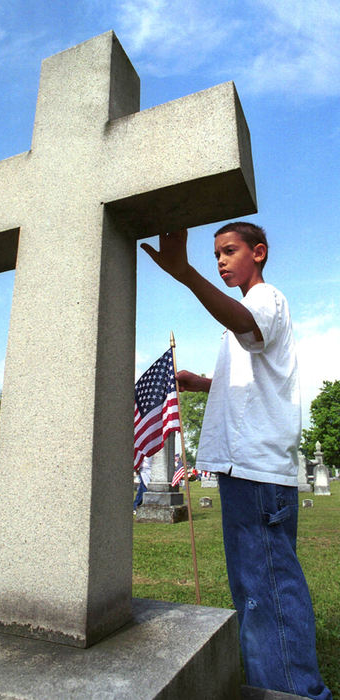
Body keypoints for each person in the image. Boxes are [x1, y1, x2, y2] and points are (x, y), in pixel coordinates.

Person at [141, 223, 331, 699]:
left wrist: (185, 274)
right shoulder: (244, 317)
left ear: (259, 253)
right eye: (215, 255)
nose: (221, 261)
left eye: (230, 251)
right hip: (242, 470)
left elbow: (249, 326)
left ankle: (296, 692)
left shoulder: (265, 299)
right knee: (254, 588)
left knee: (268, 589)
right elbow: (252, 374)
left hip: (256, 469)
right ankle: (269, 683)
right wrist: (204, 383)